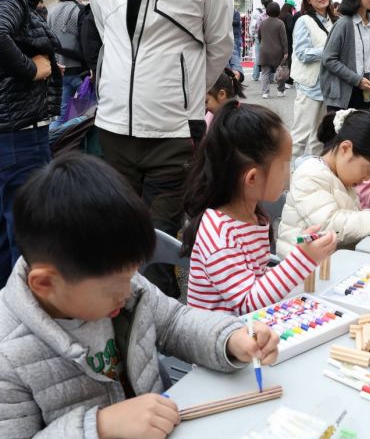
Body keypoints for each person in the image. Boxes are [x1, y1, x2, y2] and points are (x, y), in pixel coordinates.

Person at [0, 153, 279, 437]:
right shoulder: (8, 354)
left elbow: (173, 323)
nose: (127, 292)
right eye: (112, 288)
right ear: (45, 283)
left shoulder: (122, 285)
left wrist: (230, 339)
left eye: (131, 275)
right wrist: (100, 426)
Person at [88, 0, 233, 299]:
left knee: (157, 243)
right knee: (113, 237)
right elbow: (105, 32)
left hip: (173, 132)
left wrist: (185, 96)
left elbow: (220, 44)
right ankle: (114, 329)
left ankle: (156, 335)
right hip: (113, 127)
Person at [183, 103, 335, 315]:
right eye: (284, 166)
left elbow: (257, 277)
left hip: (250, 329)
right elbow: (247, 302)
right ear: (252, 178)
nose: (289, 173)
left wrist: (302, 254)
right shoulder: (219, 234)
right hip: (221, 340)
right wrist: (302, 259)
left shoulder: (251, 215)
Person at [277, 110, 370, 257]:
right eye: (367, 170)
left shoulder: (341, 176)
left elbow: (350, 218)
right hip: (300, 271)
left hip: (330, 262)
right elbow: (333, 225)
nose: (367, 178)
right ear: (346, 149)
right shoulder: (310, 175)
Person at [0, 0, 61, 288]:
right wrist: (32, 70)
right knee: (29, 234)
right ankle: (25, 319)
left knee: (9, 235)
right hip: (20, 136)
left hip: (10, 131)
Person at [321, 0, 370, 111]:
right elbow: (328, 59)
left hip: (367, 90)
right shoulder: (343, 24)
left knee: (364, 131)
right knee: (343, 131)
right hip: (344, 95)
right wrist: (357, 80)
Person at [290, 0, 337, 162]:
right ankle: (286, 184)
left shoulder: (333, 20)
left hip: (327, 86)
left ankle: (313, 177)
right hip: (309, 85)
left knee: (319, 136)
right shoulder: (304, 21)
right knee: (300, 136)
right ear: (308, 0)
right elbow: (302, 54)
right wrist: (329, 50)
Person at [46, 0, 87, 128]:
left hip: (59, 70)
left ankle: (55, 146)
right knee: (84, 113)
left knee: (60, 115)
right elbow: (86, 41)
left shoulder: (51, 10)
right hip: (80, 72)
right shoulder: (81, 10)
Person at [258, 2, 288, 99]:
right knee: (280, 71)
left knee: (265, 72)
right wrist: (286, 52)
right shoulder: (280, 23)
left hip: (264, 51)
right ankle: (280, 90)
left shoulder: (262, 23)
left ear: (267, 11)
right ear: (278, 11)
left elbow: (259, 37)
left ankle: (265, 92)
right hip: (277, 52)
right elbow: (284, 39)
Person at [250, 0, 273, 82]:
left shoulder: (259, 14)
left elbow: (255, 27)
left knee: (258, 56)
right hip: (269, 39)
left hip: (259, 38)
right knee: (270, 57)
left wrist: (254, 35)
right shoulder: (273, 15)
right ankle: (270, 77)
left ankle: (255, 76)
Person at [279, 0, 296, 86]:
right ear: (290, 7)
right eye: (293, 8)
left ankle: (279, 77)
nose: (293, 9)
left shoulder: (279, 15)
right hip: (288, 40)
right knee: (288, 59)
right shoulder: (288, 16)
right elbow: (291, 28)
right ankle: (287, 78)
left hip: (279, 41)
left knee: (281, 60)